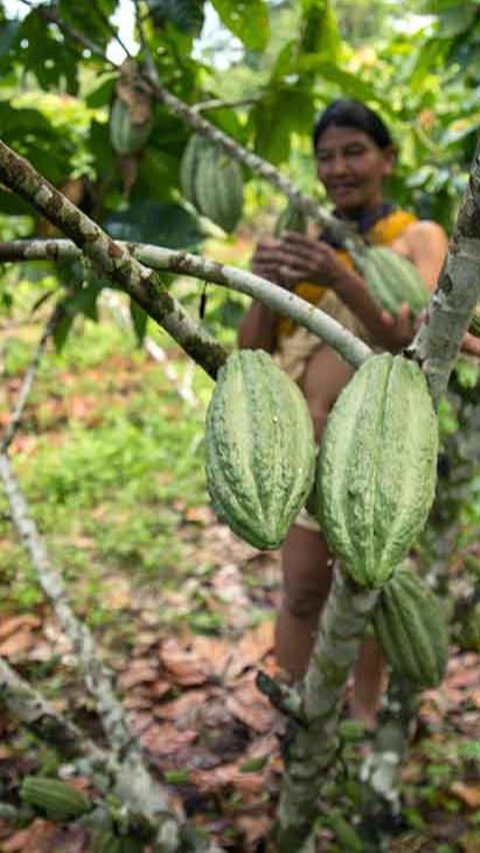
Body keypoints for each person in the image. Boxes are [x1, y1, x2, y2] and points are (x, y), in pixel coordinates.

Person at [238, 98, 450, 729]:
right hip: (301, 449)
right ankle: (300, 713)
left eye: (354, 151)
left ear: (387, 158)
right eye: (326, 156)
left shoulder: (419, 237)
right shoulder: (304, 243)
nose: (339, 168)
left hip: (380, 452)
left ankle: (361, 714)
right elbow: (252, 357)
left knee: (365, 592)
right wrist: (258, 283)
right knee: (303, 590)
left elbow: (415, 343)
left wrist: (343, 274)